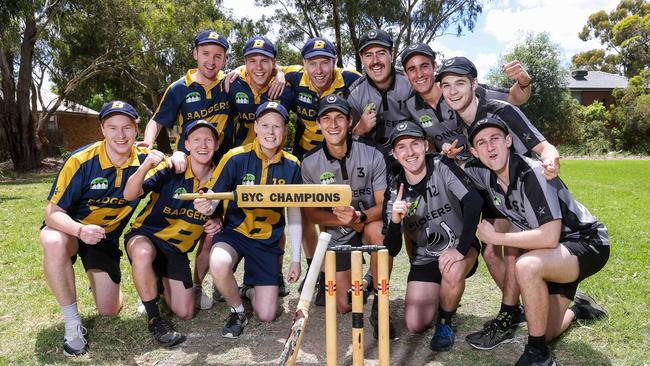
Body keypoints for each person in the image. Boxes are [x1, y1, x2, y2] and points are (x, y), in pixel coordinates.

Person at [464, 117, 609, 365]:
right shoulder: (483, 174)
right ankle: (580, 309)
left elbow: (550, 237)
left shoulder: (533, 173)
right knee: (545, 328)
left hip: (586, 242)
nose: (490, 147)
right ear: (474, 152)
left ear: (508, 141)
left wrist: (496, 237)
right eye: (481, 143)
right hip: (552, 255)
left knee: (526, 265)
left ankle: (537, 355)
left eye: (495, 138)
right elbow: (447, 165)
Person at [40, 101, 148, 356]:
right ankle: (72, 323)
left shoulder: (145, 161)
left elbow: (178, 164)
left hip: (105, 238)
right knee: (53, 241)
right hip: (72, 233)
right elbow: (52, 213)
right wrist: (80, 230)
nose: (120, 135)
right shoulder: (80, 160)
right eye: (112, 128)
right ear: (102, 129)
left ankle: (98, 278)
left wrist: (176, 156)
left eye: (126, 128)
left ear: (136, 130)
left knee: (109, 310)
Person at [138, 29, 232, 310]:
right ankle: (151, 282)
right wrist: (147, 145)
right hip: (184, 165)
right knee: (168, 219)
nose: (211, 61)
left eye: (218, 56)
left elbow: (260, 75)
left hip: (220, 169)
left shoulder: (230, 84)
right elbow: (158, 120)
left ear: (225, 59)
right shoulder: (179, 87)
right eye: (206, 54)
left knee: (212, 226)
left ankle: (198, 282)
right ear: (195, 54)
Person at [194, 101, 302, 338]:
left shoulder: (292, 165)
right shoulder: (235, 157)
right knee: (220, 262)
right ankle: (237, 310)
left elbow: (294, 211)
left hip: (267, 241)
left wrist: (295, 259)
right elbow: (213, 196)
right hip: (235, 234)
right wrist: (205, 204)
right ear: (256, 127)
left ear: (285, 130)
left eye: (277, 126)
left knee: (266, 314)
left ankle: (248, 290)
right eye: (265, 125)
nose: (270, 132)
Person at [382, 121, 483, 351]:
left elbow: (473, 202)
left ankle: (445, 321)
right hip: (426, 256)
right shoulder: (394, 190)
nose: (410, 152)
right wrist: (395, 222)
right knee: (415, 324)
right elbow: (391, 249)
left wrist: (460, 249)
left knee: (452, 269)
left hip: (458, 247)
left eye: (415, 144)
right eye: (402, 147)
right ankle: (442, 291)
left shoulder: (441, 165)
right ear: (394, 154)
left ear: (426, 145)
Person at [122, 120, 224, 347]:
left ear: (217, 145)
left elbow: (226, 214)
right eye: (196, 139)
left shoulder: (222, 176)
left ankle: (160, 285)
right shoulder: (171, 167)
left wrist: (217, 221)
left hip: (176, 250)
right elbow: (129, 194)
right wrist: (145, 165)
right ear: (186, 143)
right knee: (142, 252)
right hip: (147, 235)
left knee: (186, 312)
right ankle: (154, 318)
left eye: (209, 139)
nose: (203, 145)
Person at [301, 94, 392, 338]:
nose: (333, 125)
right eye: (326, 119)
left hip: (368, 220)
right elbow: (311, 212)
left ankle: (377, 290)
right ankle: (362, 284)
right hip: (338, 231)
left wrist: (358, 217)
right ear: (318, 124)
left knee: (378, 232)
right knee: (343, 305)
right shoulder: (309, 162)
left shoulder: (373, 152)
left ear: (350, 121)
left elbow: (385, 204)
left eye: (339, 118)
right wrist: (342, 220)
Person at [283, 37, 362, 299]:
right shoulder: (293, 77)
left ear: (334, 62)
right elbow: (264, 69)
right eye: (312, 63)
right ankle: (314, 270)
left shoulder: (351, 78)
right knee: (307, 213)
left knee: (338, 209)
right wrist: (237, 71)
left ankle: (351, 266)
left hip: (342, 153)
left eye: (325, 63)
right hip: (308, 156)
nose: (319, 70)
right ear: (303, 64)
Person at [400, 43, 531, 159]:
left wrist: (523, 82)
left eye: (424, 66)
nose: (419, 74)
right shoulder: (409, 106)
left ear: (435, 66)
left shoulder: (463, 91)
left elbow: (515, 98)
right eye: (412, 69)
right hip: (462, 170)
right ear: (405, 74)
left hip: (494, 160)